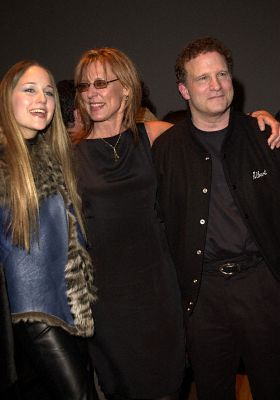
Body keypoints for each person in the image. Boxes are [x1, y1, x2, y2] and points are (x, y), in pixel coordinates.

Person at [152, 36, 280, 400]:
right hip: (202, 295)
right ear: (184, 90)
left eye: (221, 74)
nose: (216, 85)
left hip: (264, 288)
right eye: (202, 78)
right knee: (212, 391)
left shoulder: (265, 136)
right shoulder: (166, 151)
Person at [73, 47, 186, 400]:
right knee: (123, 386)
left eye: (100, 83)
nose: (90, 93)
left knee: (169, 382)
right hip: (107, 297)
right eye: (83, 86)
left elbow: (214, 129)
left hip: (158, 288)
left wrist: (262, 119)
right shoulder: (70, 153)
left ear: (126, 87)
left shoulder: (154, 135)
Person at [0, 60, 98, 400]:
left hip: (67, 307)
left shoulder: (54, 157)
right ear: (6, 98)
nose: (41, 99)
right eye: (29, 90)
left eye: (48, 92)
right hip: (32, 312)